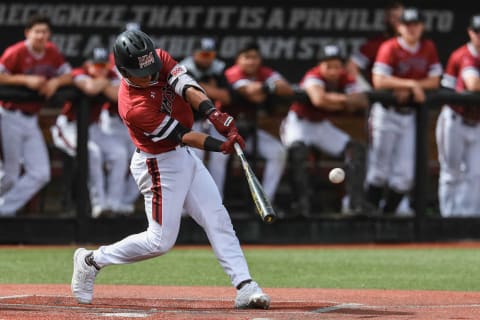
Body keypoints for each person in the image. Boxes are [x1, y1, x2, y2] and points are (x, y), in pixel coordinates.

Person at [71, 29, 270, 309]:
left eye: (152, 67)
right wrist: (220, 145)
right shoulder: (133, 106)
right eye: (142, 72)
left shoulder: (156, 58)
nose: (151, 75)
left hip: (184, 156)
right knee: (159, 242)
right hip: (158, 164)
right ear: (124, 71)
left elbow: (187, 87)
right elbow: (182, 134)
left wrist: (213, 114)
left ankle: (245, 285)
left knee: (217, 217)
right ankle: (92, 260)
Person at [364, 8, 442, 214]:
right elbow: (379, 80)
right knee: (378, 172)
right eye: (408, 25)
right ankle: (369, 218)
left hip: (409, 116)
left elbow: (434, 81)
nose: (412, 29)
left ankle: (387, 216)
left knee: (405, 175)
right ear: (399, 27)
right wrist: (412, 84)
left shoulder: (428, 47)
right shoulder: (389, 47)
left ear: (422, 26)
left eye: (416, 24)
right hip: (386, 114)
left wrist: (410, 86)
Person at [280, 43, 368, 217]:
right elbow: (319, 100)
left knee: (356, 149)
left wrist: (335, 99)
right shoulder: (313, 76)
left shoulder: (345, 77)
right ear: (320, 65)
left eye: (337, 66)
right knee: (298, 153)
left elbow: (362, 101)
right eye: (328, 66)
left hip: (321, 125)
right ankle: (300, 204)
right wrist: (345, 100)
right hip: (299, 123)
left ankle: (354, 204)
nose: (333, 71)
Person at [0, 14, 72, 216]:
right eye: (37, 31)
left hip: (31, 120)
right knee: (9, 176)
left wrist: (55, 82)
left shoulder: (51, 52)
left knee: (41, 173)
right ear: (27, 33)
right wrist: (25, 80)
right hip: (9, 116)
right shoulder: (16, 52)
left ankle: (4, 211)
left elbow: (69, 74)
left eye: (44, 32)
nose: (41, 36)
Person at [51, 47, 136, 217]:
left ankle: (114, 204)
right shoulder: (79, 72)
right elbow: (90, 88)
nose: (100, 69)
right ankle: (99, 205)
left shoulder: (109, 75)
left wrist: (102, 82)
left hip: (94, 128)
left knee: (119, 154)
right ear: (87, 65)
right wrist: (104, 82)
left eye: (103, 65)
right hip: (68, 127)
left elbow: (119, 96)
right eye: (96, 65)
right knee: (93, 153)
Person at [224, 41, 294, 205]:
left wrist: (264, 86)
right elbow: (252, 94)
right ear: (238, 59)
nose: (251, 61)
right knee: (219, 157)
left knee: (278, 152)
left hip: (248, 131)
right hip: (223, 130)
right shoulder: (232, 73)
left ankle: (265, 201)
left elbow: (287, 89)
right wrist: (268, 87)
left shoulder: (264, 72)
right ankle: (216, 202)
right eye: (247, 57)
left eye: (254, 57)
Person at [435, 14, 480, 217]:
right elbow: (473, 85)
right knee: (451, 173)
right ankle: (448, 219)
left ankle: (468, 220)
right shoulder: (464, 54)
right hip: (455, 119)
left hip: (477, 122)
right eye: (478, 32)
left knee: (475, 174)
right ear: (471, 33)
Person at [179, 37, 232, 197]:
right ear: (195, 54)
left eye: (209, 55)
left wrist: (201, 87)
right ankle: (189, 201)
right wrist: (210, 89)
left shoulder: (218, 67)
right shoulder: (183, 68)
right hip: (187, 122)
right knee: (194, 158)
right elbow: (189, 95)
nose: (206, 58)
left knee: (221, 155)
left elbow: (227, 97)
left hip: (209, 120)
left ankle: (217, 199)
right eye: (203, 54)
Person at [347, 1, 404, 91]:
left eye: (401, 18)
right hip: (382, 95)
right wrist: (367, 90)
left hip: (409, 93)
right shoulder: (376, 44)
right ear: (386, 18)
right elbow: (351, 67)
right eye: (394, 17)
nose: (398, 21)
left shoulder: (417, 46)